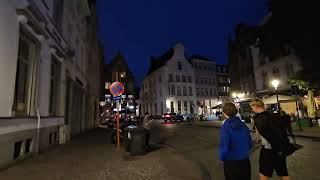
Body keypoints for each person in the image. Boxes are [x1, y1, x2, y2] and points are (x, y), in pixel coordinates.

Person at [250, 99, 291, 180]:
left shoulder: (258, 118)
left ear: (256, 106)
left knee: (264, 173)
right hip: (280, 148)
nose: (252, 109)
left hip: (268, 150)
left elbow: (259, 137)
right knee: (283, 172)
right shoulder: (274, 115)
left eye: (252, 107)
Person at [219, 102, 252, 180]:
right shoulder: (243, 125)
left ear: (224, 113)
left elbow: (225, 145)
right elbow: (250, 143)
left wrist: (222, 157)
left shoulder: (226, 126)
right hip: (245, 161)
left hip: (231, 161)